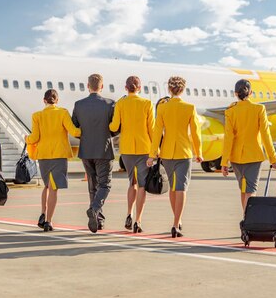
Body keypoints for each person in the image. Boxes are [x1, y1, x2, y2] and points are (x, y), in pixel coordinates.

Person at [147, 76, 202, 238]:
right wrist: (199, 153)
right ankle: (176, 223)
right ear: (183, 89)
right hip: (184, 153)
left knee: (172, 187)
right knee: (182, 188)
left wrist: (152, 154)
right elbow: (196, 134)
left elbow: (157, 133)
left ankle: (176, 220)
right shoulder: (190, 107)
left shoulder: (163, 108)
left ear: (169, 90)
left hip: (167, 153)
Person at [221, 79, 276, 213]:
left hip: (236, 158)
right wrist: (273, 159)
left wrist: (224, 162)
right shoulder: (259, 109)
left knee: (244, 190)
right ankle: (248, 221)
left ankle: (245, 219)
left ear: (235, 93)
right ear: (251, 93)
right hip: (254, 156)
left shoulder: (230, 111)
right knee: (250, 191)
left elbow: (228, 138)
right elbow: (266, 135)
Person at [25, 89, 81, 232]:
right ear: (57, 100)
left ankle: (43, 213)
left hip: (43, 155)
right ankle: (48, 221)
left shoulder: (37, 115)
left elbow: (35, 137)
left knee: (46, 186)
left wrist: (26, 139)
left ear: (44, 100)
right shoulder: (62, 113)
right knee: (54, 189)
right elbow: (74, 132)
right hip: (59, 154)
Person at [109, 76, 154, 233]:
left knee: (132, 182)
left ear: (126, 88)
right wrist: (155, 151)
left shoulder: (120, 103)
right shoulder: (146, 104)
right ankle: (138, 220)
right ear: (140, 88)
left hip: (127, 149)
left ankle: (129, 213)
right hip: (144, 148)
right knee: (142, 185)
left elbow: (114, 125)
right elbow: (152, 129)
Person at [72, 73, 116, 233]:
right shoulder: (110, 104)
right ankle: (94, 209)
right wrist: (108, 136)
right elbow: (116, 127)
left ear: (87, 86)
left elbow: (75, 127)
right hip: (103, 150)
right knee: (105, 184)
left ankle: (98, 220)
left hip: (86, 150)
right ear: (102, 87)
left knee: (93, 186)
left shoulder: (79, 105)